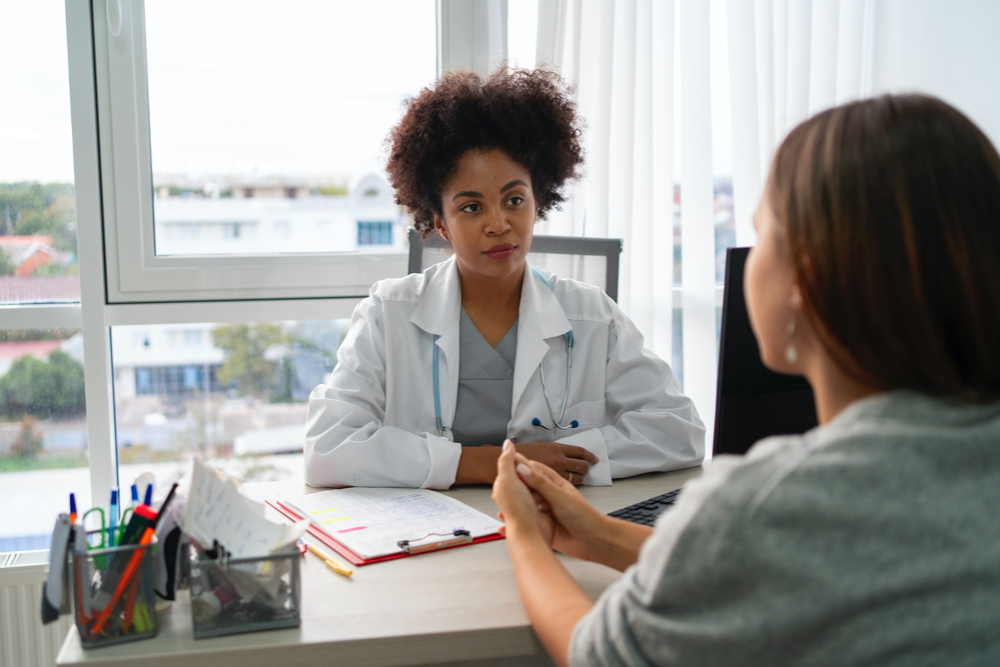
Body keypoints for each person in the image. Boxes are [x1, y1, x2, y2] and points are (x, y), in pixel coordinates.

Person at [492, 93, 1000, 665]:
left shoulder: (768, 504)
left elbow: (597, 653)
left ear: (801, 279)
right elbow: (790, 564)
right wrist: (598, 536)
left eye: (763, 233)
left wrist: (524, 537)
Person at [305, 68, 704, 489]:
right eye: (471, 207)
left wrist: (561, 463)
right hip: (434, 534)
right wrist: (497, 464)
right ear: (440, 223)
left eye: (514, 200)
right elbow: (329, 447)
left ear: (538, 203)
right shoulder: (387, 314)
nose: (498, 224)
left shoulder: (591, 315)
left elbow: (679, 432)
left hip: (554, 523)